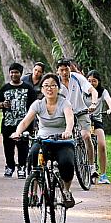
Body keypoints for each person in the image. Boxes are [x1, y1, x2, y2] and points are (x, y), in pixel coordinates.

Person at [10, 73, 76, 208]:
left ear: (58, 88)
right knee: (33, 155)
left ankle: (66, 191)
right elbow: (25, 122)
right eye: (46, 86)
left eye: (53, 85)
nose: (49, 89)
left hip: (62, 141)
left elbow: (70, 119)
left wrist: (68, 131)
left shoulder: (64, 103)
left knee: (67, 163)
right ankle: (33, 192)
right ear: (41, 89)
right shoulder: (38, 104)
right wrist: (17, 132)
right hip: (43, 140)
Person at [0, 63, 38, 179]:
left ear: (21, 74)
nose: (14, 74)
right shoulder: (5, 88)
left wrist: (33, 123)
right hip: (8, 124)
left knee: (23, 146)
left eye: (16, 72)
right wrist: (2, 104)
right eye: (12, 72)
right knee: (8, 147)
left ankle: (22, 167)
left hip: (24, 124)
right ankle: (10, 166)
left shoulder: (28, 89)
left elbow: (35, 106)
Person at [56, 58, 98, 177]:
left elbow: (93, 91)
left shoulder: (78, 78)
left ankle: (91, 166)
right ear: (57, 71)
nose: (64, 73)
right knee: (62, 139)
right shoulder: (55, 82)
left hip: (81, 111)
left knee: (86, 136)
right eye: (61, 70)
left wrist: (93, 103)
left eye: (66, 69)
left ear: (70, 68)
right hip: (65, 115)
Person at [86, 70, 111, 184]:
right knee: (85, 143)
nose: (91, 83)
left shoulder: (102, 92)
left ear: (98, 81)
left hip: (97, 120)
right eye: (89, 81)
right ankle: (89, 168)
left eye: (94, 81)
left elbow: (109, 102)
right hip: (84, 121)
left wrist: (110, 109)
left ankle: (103, 175)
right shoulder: (82, 91)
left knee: (102, 145)